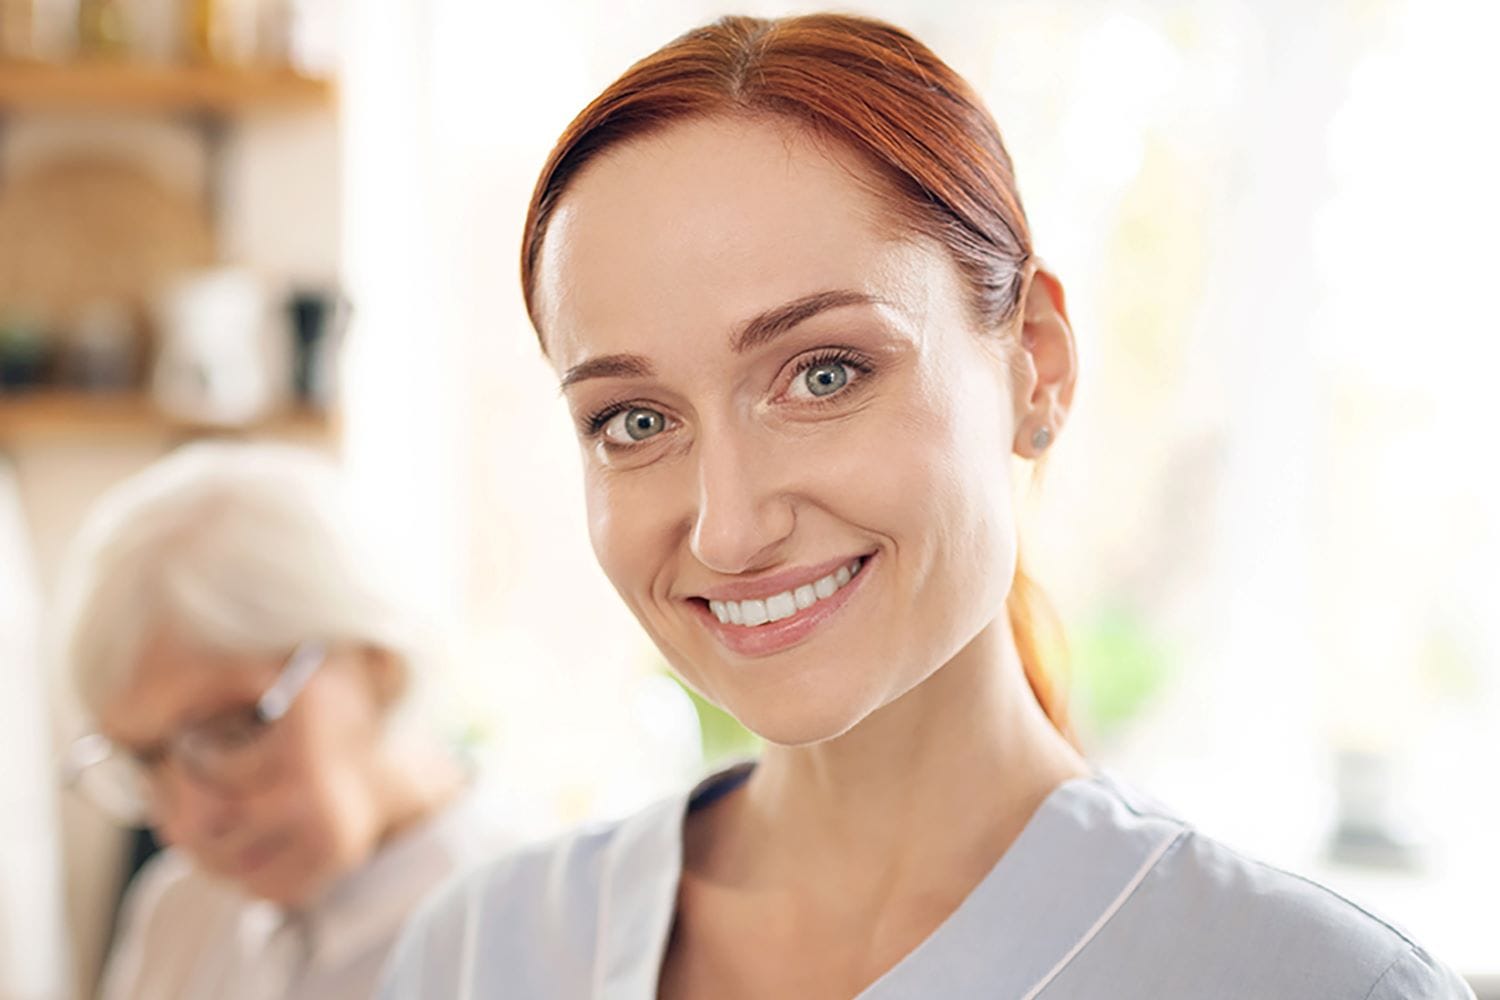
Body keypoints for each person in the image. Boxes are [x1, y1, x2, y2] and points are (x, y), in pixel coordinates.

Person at [378, 13, 1474, 999]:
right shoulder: (480, 956)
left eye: (824, 373)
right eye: (634, 420)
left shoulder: (1316, 986)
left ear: (1034, 366)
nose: (729, 526)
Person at [56, 442, 505, 1000]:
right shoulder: (181, 911)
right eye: (147, 759)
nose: (190, 823)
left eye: (230, 733)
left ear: (375, 665)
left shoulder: (539, 935)